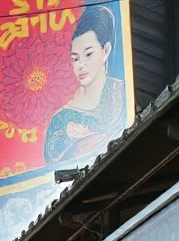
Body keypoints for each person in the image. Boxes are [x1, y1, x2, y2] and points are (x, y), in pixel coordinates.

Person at [44, 6, 128, 164]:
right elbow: (52, 160)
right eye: (75, 58)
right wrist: (68, 136)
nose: (81, 65)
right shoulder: (62, 119)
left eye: (88, 54)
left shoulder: (123, 93)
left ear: (106, 51)